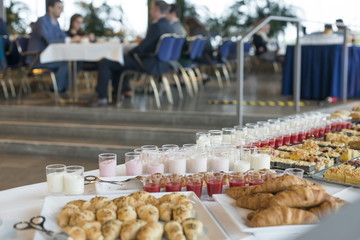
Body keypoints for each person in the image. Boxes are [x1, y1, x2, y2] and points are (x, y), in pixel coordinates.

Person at [92, 0, 174, 107]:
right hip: (162, 64)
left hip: (149, 63)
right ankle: (121, 91)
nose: (150, 11)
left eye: (151, 8)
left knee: (106, 62)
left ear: (157, 10)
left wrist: (129, 51)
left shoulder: (156, 26)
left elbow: (142, 48)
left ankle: (102, 97)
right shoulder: (168, 26)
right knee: (119, 60)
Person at [27, 0, 79, 92]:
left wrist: (74, 38)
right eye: (59, 7)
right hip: (38, 58)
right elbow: (48, 40)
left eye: (62, 8)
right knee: (66, 62)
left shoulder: (56, 23)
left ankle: (65, 88)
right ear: (50, 8)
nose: (61, 10)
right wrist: (70, 40)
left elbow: (64, 37)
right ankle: (57, 90)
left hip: (51, 57)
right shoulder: (42, 21)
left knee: (74, 60)